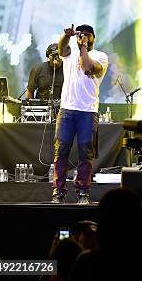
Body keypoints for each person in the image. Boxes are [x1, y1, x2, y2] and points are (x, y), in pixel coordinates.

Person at [52, 24, 108, 204]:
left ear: (93, 37)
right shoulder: (70, 54)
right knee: (61, 151)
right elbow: (61, 48)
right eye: (80, 34)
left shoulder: (100, 56)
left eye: (87, 35)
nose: (83, 37)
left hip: (87, 111)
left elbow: (88, 69)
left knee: (86, 151)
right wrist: (66, 36)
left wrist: (83, 46)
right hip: (67, 110)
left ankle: (83, 192)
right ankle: (58, 192)